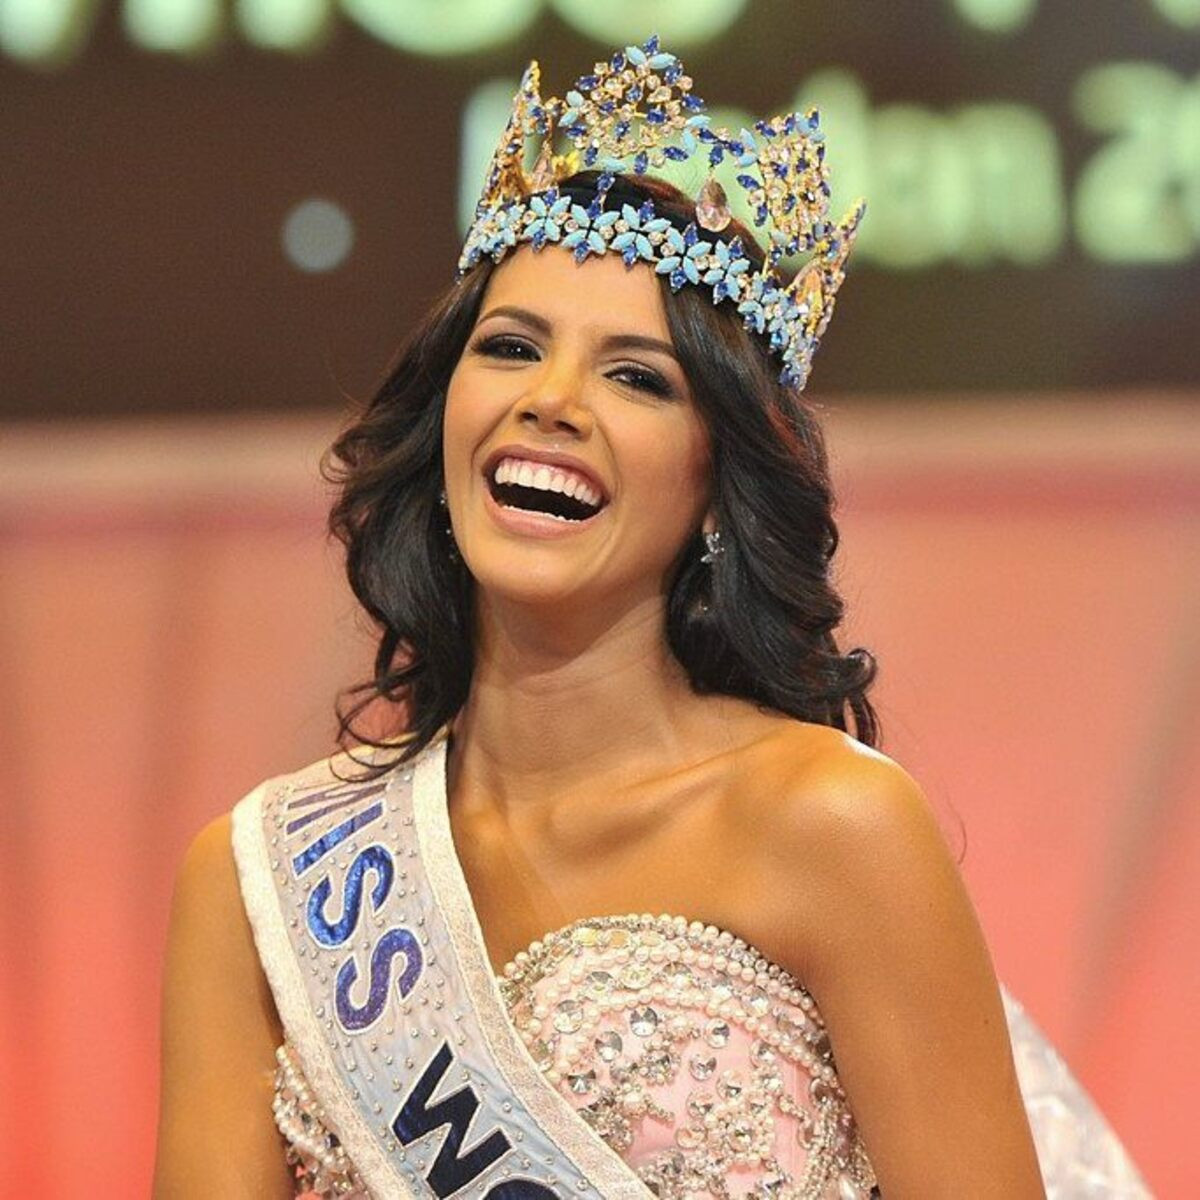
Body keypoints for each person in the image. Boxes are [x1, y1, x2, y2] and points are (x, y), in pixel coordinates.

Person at [154, 38, 1150, 1199]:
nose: (551, 401)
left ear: (718, 485)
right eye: (511, 348)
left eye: (637, 377)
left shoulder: (831, 827)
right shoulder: (270, 883)